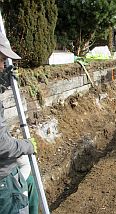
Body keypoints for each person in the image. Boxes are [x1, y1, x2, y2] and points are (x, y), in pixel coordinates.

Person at [0, 32, 37, 214]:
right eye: (0, 60)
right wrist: (25, 146)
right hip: (2, 181)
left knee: (28, 180)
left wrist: (1, 85)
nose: (2, 66)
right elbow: (1, 145)